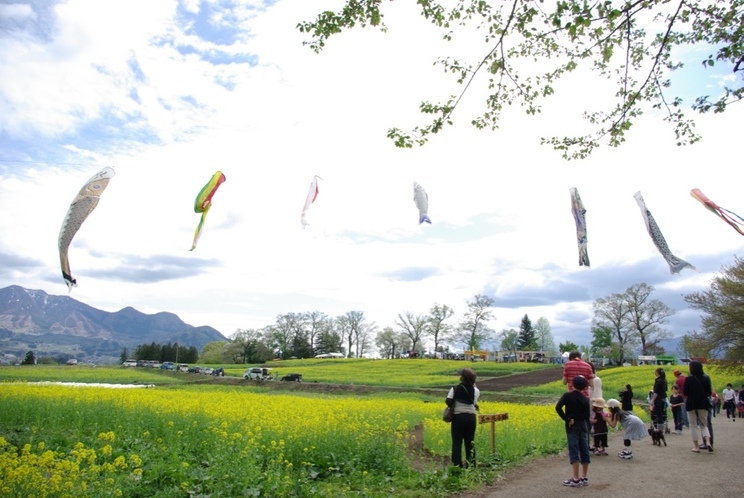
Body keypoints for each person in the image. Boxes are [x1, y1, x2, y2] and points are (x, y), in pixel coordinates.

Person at [555, 375, 591, 486]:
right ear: (584, 387)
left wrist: (568, 419)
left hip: (572, 427)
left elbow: (558, 407)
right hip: (583, 426)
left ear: (572, 384)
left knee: (574, 450)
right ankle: (584, 477)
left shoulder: (567, 396)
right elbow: (586, 415)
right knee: (584, 450)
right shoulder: (585, 399)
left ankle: (575, 479)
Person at [445, 368, 480, 468]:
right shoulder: (476, 391)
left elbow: (448, 402)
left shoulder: (455, 389)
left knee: (457, 443)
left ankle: (457, 466)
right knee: (470, 442)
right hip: (471, 418)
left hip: (458, 418)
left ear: (463, 378)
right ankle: (471, 465)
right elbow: (473, 402)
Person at [682, 360, 713, 453]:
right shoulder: (706, 378)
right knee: (704, 424)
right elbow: (708, 393)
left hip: (691, 403)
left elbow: (685, 392)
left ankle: (696, 447)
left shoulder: (689, 379)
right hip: (703, 403)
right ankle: (708, 442)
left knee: (693, 425)